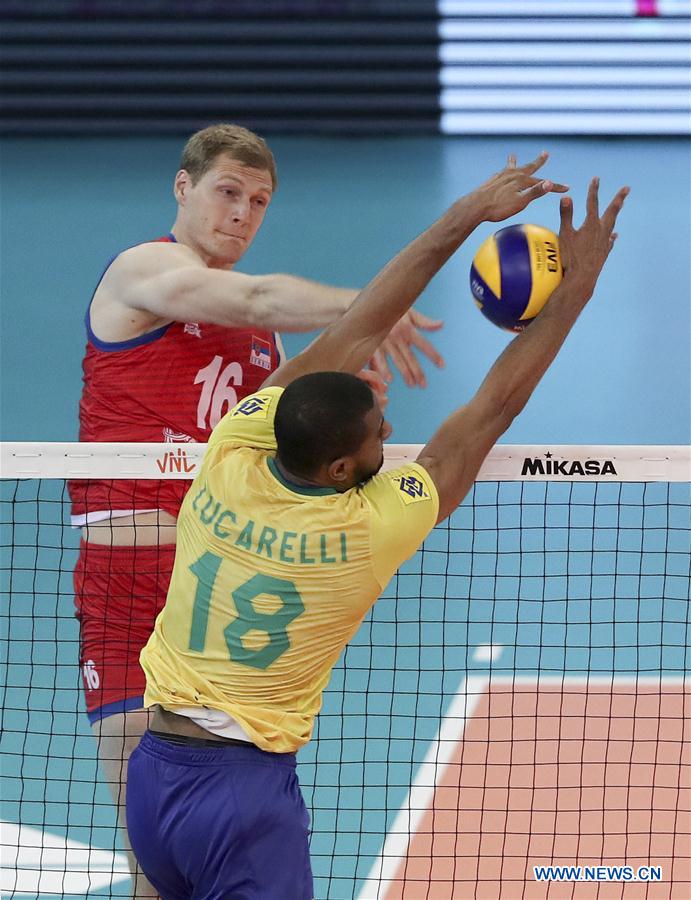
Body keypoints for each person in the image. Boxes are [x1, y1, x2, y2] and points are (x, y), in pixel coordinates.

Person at [126, 151, 628, 898]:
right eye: (377, 436)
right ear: (338, 471)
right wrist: (575, 290)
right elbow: (491, 409)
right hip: (242, 801)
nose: (389, 430)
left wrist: (462, 215)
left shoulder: (231, 449)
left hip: (154, 779)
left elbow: (357, 329)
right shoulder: (366, 531)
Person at [68, 122, 445, 895]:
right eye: (227, 193)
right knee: (156, 863)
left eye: (259, 201)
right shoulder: (145, 271)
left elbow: (282, 454)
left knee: (221, 835)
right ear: (184, 187)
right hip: (133, 574)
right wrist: (372, 308)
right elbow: (256, 293)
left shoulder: (263, 347)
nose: (241, 213)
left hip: (226, 587)